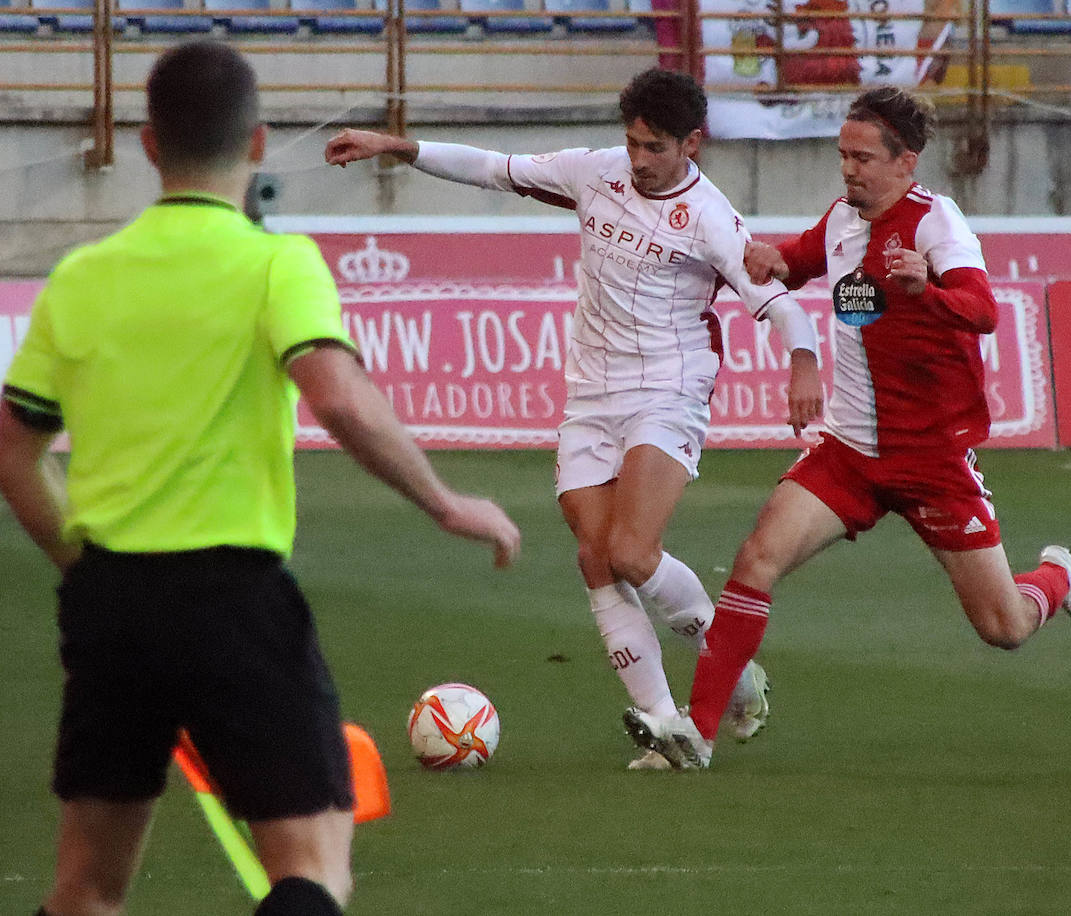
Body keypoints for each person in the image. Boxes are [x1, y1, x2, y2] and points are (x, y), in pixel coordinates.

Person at [0, 41, 520, 916]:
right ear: (261, 143)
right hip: (231, 598)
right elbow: (339, 400)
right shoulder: (276, 264)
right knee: (311, 869)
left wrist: (86, 570)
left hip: (110, 603)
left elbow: (11, 458)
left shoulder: (80, 278)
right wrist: (446, 502)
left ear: (148, 145)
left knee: (85, 887)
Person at [323, 69, 825, 769]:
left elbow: (775, 300)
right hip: (591, 394)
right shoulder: (596, 173)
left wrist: (803, 359)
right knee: (595, 555)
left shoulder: (710, 216)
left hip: (668, 388)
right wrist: (397, 146)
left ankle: (735, 677)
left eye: (655, 147)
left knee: (630, 552)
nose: (640, 160)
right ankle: (664, 726)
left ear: (693, 144)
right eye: (632, 143)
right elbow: (496, 169)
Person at [624, 86, 1071, 771]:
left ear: (905, 163)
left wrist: (926, 289)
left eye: (862, 158)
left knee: (1004, 627)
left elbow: (982, 311)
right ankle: (695, 736)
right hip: (850, 452)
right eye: (842, 156)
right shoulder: (843, 221)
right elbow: (801, 258)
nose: (848, 169)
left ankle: (1058, 578)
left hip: (932, 459)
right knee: (757, 559)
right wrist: (772, 261)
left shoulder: (934, 224)